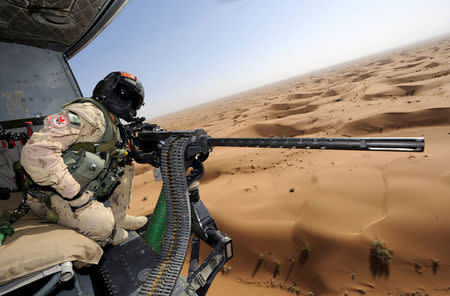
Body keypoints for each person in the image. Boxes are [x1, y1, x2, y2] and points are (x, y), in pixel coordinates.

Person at [20, 71, 147, 246]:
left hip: (79, 184)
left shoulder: (111, 121)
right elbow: (36, 152)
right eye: (133, 100)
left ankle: (119, 218)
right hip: (49, 195)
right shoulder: (89, 114)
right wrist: (78, 198)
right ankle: (94, 244)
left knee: (125, 167)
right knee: (104, 226)